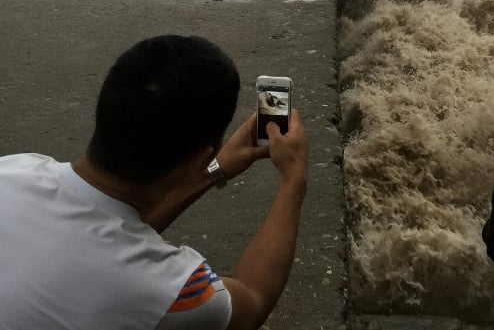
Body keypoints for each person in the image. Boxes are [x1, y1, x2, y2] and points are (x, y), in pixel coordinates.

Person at [0, 35, 309, 330]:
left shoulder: (14, 168)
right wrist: (293, 179)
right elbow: (250, 302)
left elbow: (112, 229)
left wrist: (214, 169)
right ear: (197, 157)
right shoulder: (170, 291)